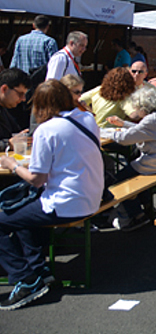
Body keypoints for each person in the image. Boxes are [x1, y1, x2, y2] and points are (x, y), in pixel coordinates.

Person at [0, 80, 104, 311]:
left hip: (66, 203)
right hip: (90, 197)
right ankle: (38, 269)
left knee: (6, 216)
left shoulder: (47, 130)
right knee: (21, 212)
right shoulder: (86, 119)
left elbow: (37, 179)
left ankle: (26, 279)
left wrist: (11, 165)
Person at [106, 85, 156, 231]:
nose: (135, 111)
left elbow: (124, 139)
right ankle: (146, 207)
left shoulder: (151, 120)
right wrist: (123, 124)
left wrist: (101, 132)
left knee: (118, 180)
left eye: (136, 107)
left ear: (143, 107)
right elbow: (144, 130)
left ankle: (135, 215)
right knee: (133, 174)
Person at [0, 68, 29, 154]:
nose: (23, 99)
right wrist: (8, 144)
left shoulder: (5, 108)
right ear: (4, 89)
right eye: (20, 94)